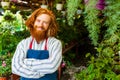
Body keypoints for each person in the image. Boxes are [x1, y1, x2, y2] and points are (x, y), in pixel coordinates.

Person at [12, 8, 62, 80]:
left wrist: (26, 62)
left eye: (45, 22)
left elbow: (52, 66)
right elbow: (16, 67)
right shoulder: (23, 44)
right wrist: (37, 74)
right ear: (33, 22)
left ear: (49, 26)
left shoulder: (55, 43)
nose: (40, 25)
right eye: (38, 21)